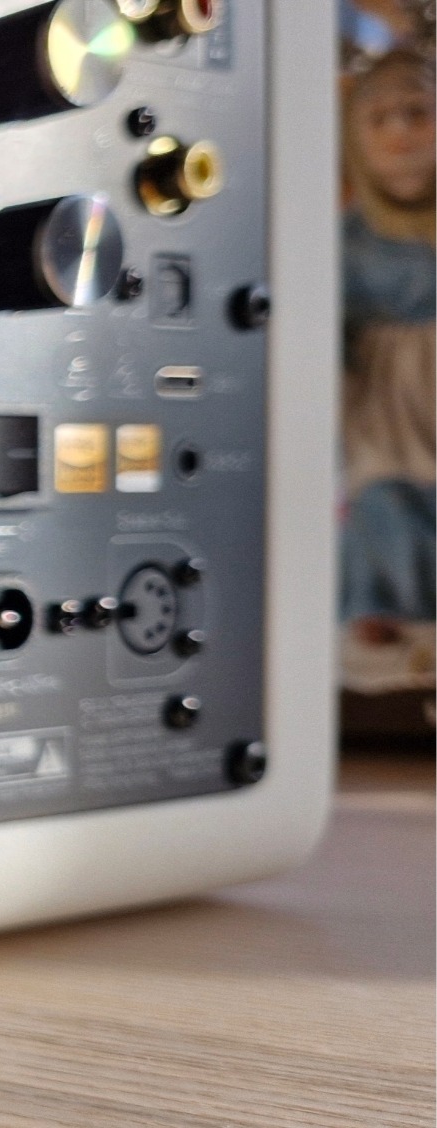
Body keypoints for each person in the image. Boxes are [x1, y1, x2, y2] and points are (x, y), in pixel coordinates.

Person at [339, 48, 436, 721]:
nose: (400, 133)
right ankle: (391, 630)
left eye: (418, 113)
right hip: (382, 415)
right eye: (379, 119)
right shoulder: (347, 241)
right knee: (387, 511)